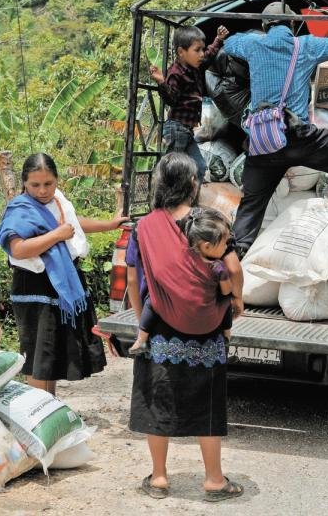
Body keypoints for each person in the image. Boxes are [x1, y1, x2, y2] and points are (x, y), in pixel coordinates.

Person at [125, 152, 245, 502]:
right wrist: (236, 301)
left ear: (161, 185)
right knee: (207, 403)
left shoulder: (144, 227)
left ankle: (160, 478)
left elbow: (134, 278)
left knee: (157, 402)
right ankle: (214, 479)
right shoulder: (210, 221)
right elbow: (233, 268)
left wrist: (142, 319)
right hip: (207, 330)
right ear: (193, 185)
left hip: (161, 329)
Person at [223, 1, 328, 257]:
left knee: (252, 204)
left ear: (265, 25)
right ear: (294, 24)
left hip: (263, 141)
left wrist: (249, 35)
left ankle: (237, 254)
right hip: (301, 138)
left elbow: (229, 43)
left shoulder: (254, 44)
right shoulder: (305, 44)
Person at [0, 153, 127, 393]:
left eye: (48, 184)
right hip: (35, 290)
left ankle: (49, 408)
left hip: (60, 286)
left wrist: (108, 224)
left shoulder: (57, 201)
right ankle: (40, 419)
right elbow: (19, 249)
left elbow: (72, 223)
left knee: (51, 358)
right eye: (35, 185)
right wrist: (56, 235)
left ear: (57, 180)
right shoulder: (20, 209)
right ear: (24, 182)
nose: (42, 190)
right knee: (39, 360)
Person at [127, 208, 235, 356]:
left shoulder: (182, 259)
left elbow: (133, 279)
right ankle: (227, 335)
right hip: (206, 319)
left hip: (177, 311)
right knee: (227, 300)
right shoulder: (218, 267)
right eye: (224, 243)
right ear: (207, 246)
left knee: (152, 302)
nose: (226, 247)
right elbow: (227, 291)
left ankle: (141, 339)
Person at [149, 25, 230, 182]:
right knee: (171, 170)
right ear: (181, 52)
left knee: (199, 168)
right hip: (176, 129)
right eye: (197, 50)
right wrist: (161, 82)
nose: (201, 54)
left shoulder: (195, 66)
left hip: (186, 131)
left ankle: (190, 202)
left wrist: (218, 40)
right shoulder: (176, 73)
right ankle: (163, 199)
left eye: (202, 49)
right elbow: (171, 99)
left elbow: (209, 56)